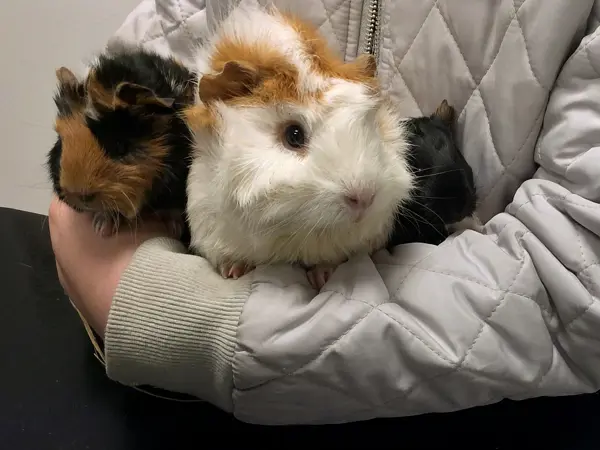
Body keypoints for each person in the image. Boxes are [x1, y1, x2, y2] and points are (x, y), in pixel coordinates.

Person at [49, 0, 600, 425]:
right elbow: (135, 79)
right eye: (293, 135)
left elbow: (578, 283)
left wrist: (184, 313)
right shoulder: (214, 118)